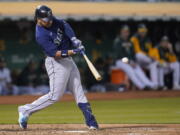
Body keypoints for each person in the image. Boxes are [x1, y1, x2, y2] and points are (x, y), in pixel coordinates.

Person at [18, 5, 98, 130]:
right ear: (38, 18)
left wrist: (74, 39)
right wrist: (74, 51)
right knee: (55, 96)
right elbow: (55, 54)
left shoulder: (51, 19)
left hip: (68, 60)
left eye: (50, 18)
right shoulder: (40, 35)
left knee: (79, 91)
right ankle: (25, 110)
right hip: (56, 63)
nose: (49, 21)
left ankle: (91, 122)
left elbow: (65, 24)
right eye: (46, 20)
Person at [113, 25, 155, 90]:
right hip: (120, 61)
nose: (126, 33)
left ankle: (150, 84)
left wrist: (134, 62)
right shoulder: (118, 41)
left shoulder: (130, 41)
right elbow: (120, 55)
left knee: (138, 69)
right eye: (124, 32)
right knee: (130, 70)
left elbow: (133, 54)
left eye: (127, 32)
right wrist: (129, 62)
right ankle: (142, 86)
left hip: (129, 61)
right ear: (121, 32)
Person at [131, 24, 159, 88]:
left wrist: (152, 57)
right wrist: (149, 56)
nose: (143, 32)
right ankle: (145, 85)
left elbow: (150, 50)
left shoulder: (147, 39)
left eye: (144, 31)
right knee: (139, 55)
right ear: (138, 31)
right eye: (141, 31)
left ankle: (155, 85)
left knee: (154, 64)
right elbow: (137, 51)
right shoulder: (134, 38)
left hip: (145, 60)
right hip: (136, 60)